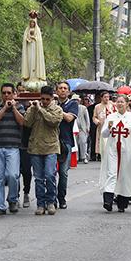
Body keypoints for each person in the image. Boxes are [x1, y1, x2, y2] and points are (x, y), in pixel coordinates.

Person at [24, 85, 63, 215]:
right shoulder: (33, 108)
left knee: (50, 175)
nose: (44, 101)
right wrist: (33, 109)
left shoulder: (57, 109)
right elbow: (27, 123)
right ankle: (40, 204)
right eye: (42, 99)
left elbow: (53, 121)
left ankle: (51, 201)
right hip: (35, 147)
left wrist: (40, 109)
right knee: (39, 178)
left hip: (51, 147)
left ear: (52, 98)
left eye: (47, 99)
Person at [0, 83, 25, 216]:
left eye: (9, 93)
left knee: (13, 175)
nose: (6, 95)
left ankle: (13, 199)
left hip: (13, 146)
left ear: (14, 93)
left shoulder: (20, 107)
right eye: (4, 93)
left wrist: (14, 108)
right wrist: (5, 108)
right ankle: (0, 206)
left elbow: (22, 122)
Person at [56, 81, 78, 209]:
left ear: (69, 91)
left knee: (63, 172)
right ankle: (51, 198)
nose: (63, 90)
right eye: (60, 88)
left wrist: (57, 110)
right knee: (50, 172)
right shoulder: (51, 103)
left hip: (66, 142)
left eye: (65, 88)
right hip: (52, 142)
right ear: (56, 91)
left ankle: (61, 198)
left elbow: (69, 118)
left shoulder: (73, 104)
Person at [21, 11, 46, 90]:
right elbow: (25, 39)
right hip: (29, 48)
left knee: (35, 62)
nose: (32, 24)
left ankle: (36, 77)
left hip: (35, 49)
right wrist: (28, 39)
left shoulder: (37, 30)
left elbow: (39, 40)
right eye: (31, 23)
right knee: (30, 62)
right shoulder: (27, 30)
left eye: (33, 23)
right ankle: (30, 77)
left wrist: (34, 38)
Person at [93, 91, 115, 161]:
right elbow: (94, 117)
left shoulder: (112, 105)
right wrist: (97, 121)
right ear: (101, 98)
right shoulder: (97, 106)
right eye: (105, 97)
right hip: (101, 127)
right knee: (102, 142)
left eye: (108, 97)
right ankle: (101, 155)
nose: (107, 98)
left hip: (111, 126)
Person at [74, 94, 90, 164]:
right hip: (74, 128)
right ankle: (76, 158)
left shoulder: (83, 108)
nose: (76, 102)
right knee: (75, 143)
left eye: (77, 100)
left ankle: (84, 157)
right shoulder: (71, 108)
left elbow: (87, 119)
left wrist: (87, 127)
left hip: (82, 128)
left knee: (83, 142)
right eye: (74, 100)